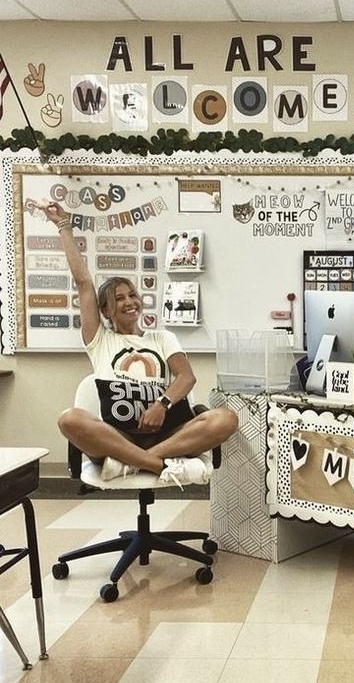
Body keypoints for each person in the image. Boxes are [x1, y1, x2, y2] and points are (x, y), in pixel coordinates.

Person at [39, 199, 238, 487]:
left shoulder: (163, 337)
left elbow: (186, 377)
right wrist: (63, 226)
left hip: (170, 435)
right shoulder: (100, 340)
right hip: (119, 436)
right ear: (105, 310)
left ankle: (129, 462)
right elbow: (84, 283)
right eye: (119, 298)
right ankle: (160, 466)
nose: (129, 302)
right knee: (69, 420)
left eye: (132, 295)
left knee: (225, 419)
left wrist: (161, 405)